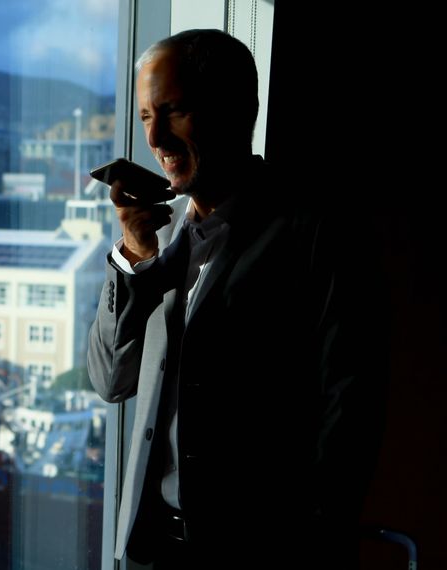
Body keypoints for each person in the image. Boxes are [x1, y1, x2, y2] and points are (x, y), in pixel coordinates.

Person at [87, 29, 384, 569]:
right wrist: (134, 256)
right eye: (146, 116)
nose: (155, 139)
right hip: (153, 548)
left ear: (236, 108)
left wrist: (316, 540)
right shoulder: (162, 231)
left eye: (172, 110)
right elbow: (111, 379)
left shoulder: (316, 231)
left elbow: (351, 403)